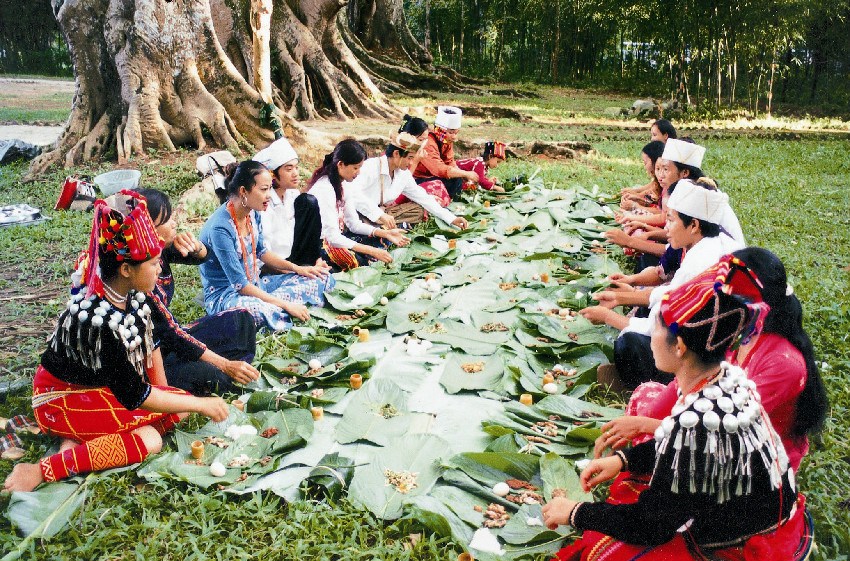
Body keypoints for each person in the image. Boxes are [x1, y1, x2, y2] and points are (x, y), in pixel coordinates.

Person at [542, 258, 812, 561]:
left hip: (747, 545)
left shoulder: (697, 420)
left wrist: (576, 513)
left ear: (680, 346)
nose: (651, 340)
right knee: (633, 485)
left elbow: (651, 526)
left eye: (655, 329)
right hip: (765, 516)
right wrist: (624, 459)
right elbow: (684, 447)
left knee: (604, 550)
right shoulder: (726, 378)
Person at [3, 191, 229, 493]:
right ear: (126, 269)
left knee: (179, 407)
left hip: (99, 389)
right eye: (153, 264)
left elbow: (152, 347)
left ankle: (77, 443)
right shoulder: (95, 320)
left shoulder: (131, 296)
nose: (160, 269)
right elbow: (137, 395)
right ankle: (43, 469)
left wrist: (171, 397)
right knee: (150, 439)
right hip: (61, 398)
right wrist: (200, 404)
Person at [594, 248, 827, 473]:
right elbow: (694, 378)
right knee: (646, 395)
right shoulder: (742, 331)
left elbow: (726, 433)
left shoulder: (783, 364)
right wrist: (646, 421)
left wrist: (645, 427)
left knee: (656, 461)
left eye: (724, 295)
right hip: (711, 421)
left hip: (748, 458)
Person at [582, 178, 744, 389]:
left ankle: (656, 385)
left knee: (629, 343)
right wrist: (623, 296)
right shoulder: (706, 244)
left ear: (694, 225)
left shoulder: (702, 261)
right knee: (642, 311)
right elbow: (670, 293)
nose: (665, 227)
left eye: (671, 220)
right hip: (704, 339)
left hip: (703, 353)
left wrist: (607, 317)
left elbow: (661, 323)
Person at [139, 188, 259, 397]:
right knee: (214, 376)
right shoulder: (138, 275)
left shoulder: (159, 250)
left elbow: (202, 257)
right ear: (148, 228)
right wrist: (224, 364)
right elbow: (171, 333)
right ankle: (213, 367)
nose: (174, 222)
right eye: (166, 220)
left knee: (242, 320)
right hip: (153, 357)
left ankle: (210, 362)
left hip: (170, 340)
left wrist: (195, 246)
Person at [199, 161, 332, 332]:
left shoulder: (253, 213)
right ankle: (284, 306)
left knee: (320, 277)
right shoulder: (220, 228)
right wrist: (286, 304)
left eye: (270, 188)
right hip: (228, 297)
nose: (269, 195)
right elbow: (240, 285)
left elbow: (262, 252)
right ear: (243, 191)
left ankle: (278, 306)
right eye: (263, 189)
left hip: (257, 285)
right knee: (255, 312)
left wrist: (299, 269)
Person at [307, 139, 409, 271]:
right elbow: (331, 237)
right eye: (356, 168)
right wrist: (371, 251)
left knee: (379, 241)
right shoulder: (325, 189)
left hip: (338, 238)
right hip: (320, 245)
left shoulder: (344, 184)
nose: (359, 172)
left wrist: (385, 233)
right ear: (341, 164)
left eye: (360, 167)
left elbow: (353, 224)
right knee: (357, 261)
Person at [347, 132, 469, 230]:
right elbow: (352, 194)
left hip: (383, 214)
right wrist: (380, 215)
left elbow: (422, 197)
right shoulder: (371, 167)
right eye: (410, 158)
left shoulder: (403, 174)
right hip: (358, 214)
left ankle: (384, 228)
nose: (411, 163)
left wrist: (451, 218)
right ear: (396, 154)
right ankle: (379, 229)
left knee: (421, 209)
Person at [253, 137, 324, 267]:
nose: (295, 173)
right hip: (273, 265)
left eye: (296, 167)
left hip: (293, 258)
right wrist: (294, 270)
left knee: (309, 202)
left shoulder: (293, 195)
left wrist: (316, 259)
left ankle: (309, 263)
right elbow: (262, 252)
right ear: (272, 174)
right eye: (289, 169)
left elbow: (308, 232)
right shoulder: (263, 203)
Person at [412, 106, 479, 200]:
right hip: (418, 179)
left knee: (457, 179)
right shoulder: (428, 143)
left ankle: (452, 201)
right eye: (451, 133)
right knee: (447, 182)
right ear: (440, 131)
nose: (454, 137)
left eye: (456, 133)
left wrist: (463, 175)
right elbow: (439, 169)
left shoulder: (446, 142)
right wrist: (464, 173)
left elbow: (450, 162)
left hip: (433, 176)